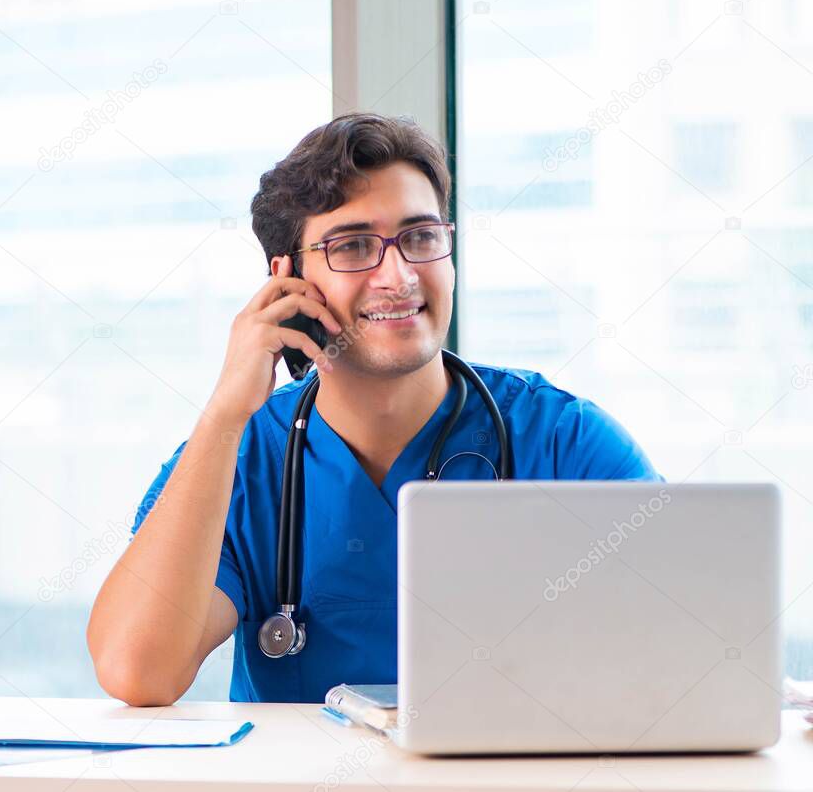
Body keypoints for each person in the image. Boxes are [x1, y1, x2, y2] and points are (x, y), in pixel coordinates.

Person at [87, 112, 661, 706]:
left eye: (421, 236)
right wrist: (225, 415)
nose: (399, 274)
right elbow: (138, 672)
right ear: (288, 281)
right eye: (354, 246)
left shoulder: (563, 442)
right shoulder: (239, 459)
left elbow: (680, 649)